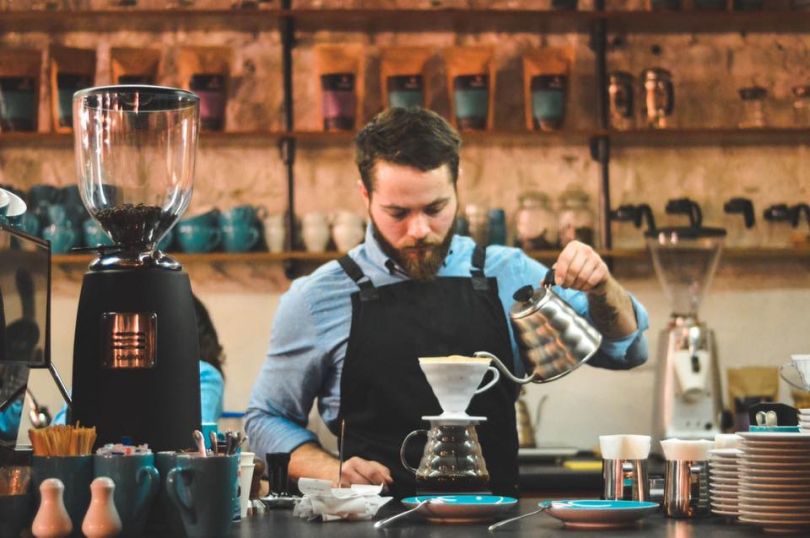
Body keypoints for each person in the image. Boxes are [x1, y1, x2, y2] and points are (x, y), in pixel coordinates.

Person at [245, 108, 650, 498]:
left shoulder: (508, 273)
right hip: (369, 525)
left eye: (435, 209)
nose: (419, 230)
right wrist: (333, 471)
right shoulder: (317, 299)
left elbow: (626, 350)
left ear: (457, 187)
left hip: (494, 525)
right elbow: (265, 420)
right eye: (397, 212)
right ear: (365, 195)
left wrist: (601, 288)